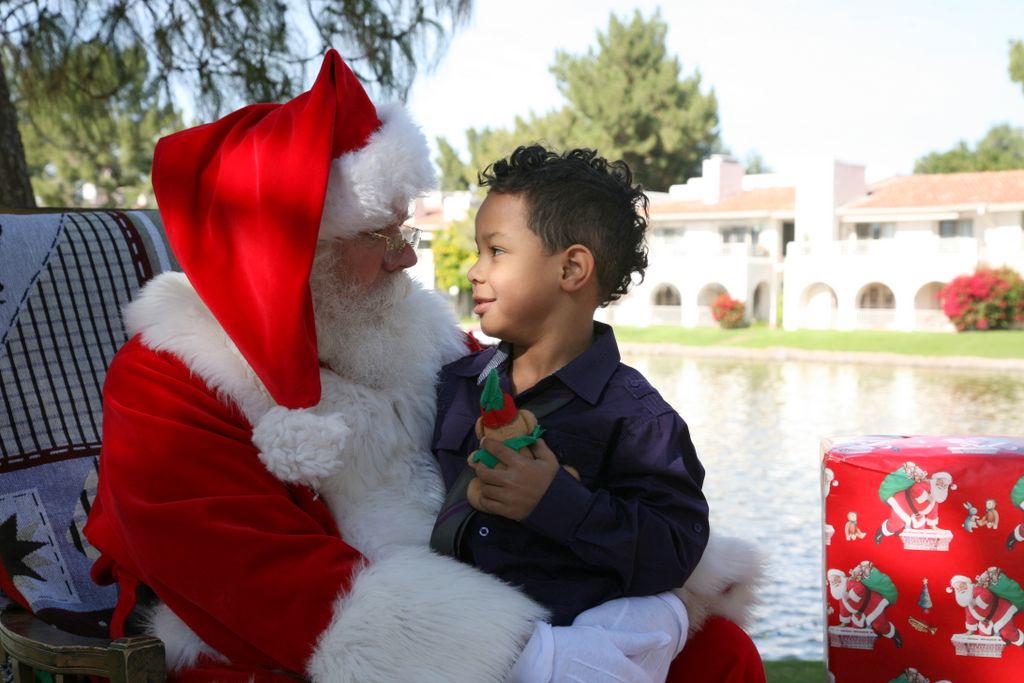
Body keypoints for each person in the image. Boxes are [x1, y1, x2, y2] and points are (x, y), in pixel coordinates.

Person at [84, 50, 763, 683]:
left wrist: (663, 579)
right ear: (290, 255)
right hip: (296, 648)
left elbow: (552, 439)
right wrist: (534, 655)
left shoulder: (419, 335)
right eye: (379, 235)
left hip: (473, 581)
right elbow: (258, 582)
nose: (405, 258)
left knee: (716, 652)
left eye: (403, 230)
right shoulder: (170, 381)